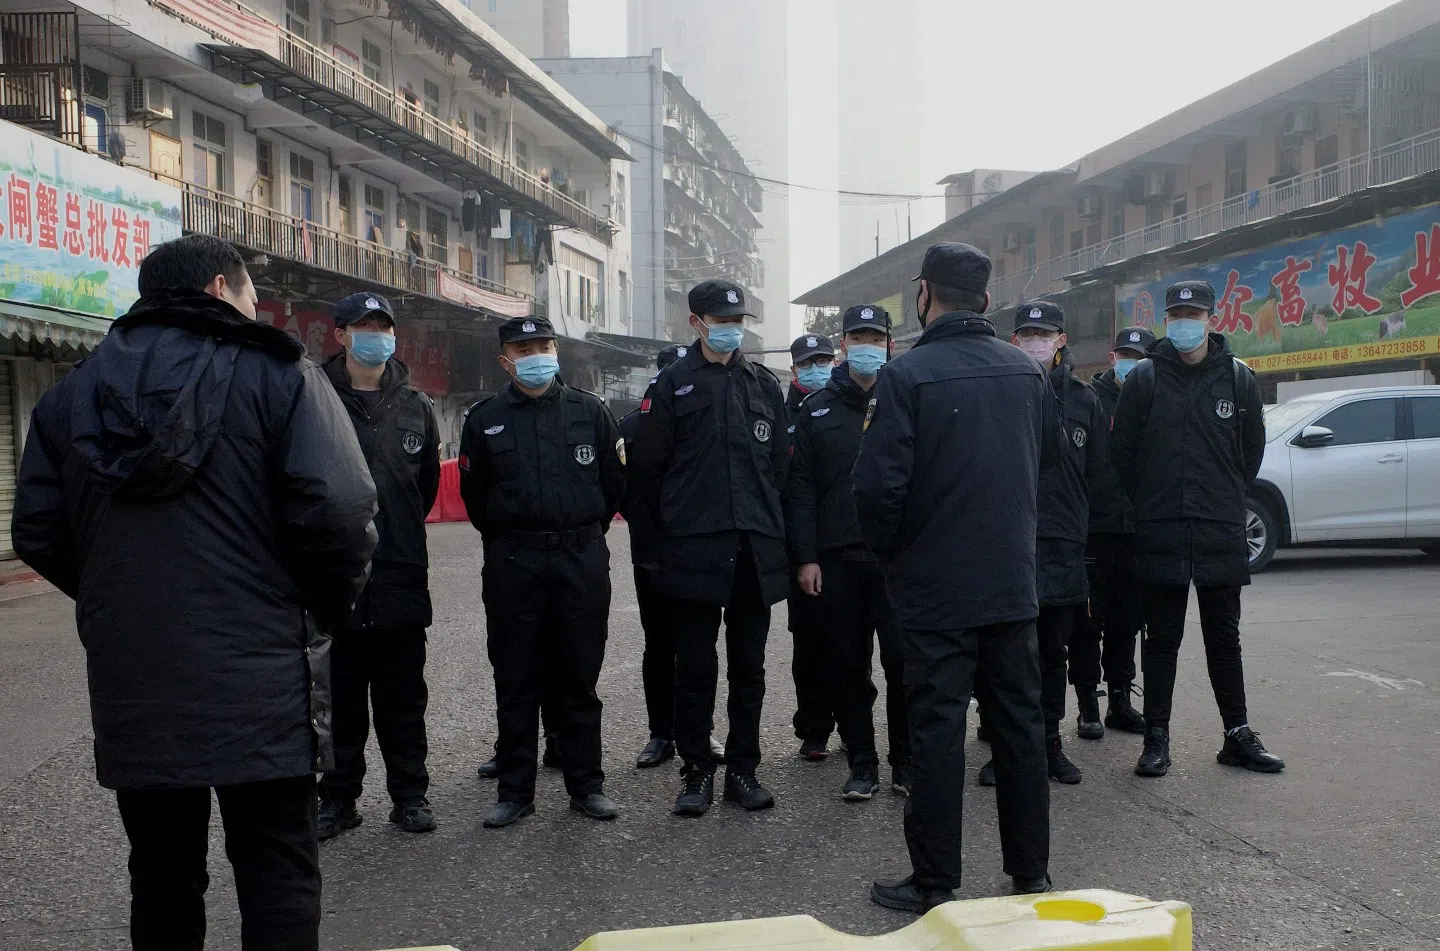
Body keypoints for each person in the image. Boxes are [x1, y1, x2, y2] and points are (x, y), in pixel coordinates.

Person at [11, 234, 378, 951]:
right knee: (277, 870)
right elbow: (341, 509)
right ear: (219, 288)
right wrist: (314, 608)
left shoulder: (71, 394)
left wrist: (115, 600)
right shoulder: (280, 374)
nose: (254, 308)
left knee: (161, 875)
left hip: (137, 677)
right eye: (249, 294)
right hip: (264, 673)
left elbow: (37, 530)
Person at [854, 242, 1057, 913]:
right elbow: (1046, 470)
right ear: (987, 301)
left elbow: (878, 489)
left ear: (924, 294)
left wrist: (895, 557)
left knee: (937, 729)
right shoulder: (1027, 374)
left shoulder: (906, 377)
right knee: (1020, 726)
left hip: (936, 589)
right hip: (1010, 583)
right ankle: (1030, 870)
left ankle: (935, 879)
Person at [1111, 280, 1285, 778]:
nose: (1185, 322)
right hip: (1161, 528)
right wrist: (1151, 500)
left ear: (1212, 317)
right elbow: (1122, 455)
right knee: (1162, 638)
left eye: (1194, 312)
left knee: (1224, 638)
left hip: (1217, 529)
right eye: (1176, 314)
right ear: (1167, 320)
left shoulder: (1238, 379)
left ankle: (1237, 734)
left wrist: (1221, 498)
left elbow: (1249, 453)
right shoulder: (1145, 380)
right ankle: (1156, 737)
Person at [458, 315, 626, 827]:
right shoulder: (484, 419)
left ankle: (586, 786)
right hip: (514, 561)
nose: (535, 355)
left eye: (543, 345)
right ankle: (515, 791)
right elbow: (475, 498)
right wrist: (518, 539)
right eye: (523, 347)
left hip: (580, 558)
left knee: (578, 678)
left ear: (556, 351)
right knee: (515, 679)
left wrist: (577, 533)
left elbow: (614, 484)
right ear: (505, 358)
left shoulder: (589, 411)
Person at [631, 279, 790, 817]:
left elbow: (781, 472)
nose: (731, 329)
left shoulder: (764, 385)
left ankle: (743, 771)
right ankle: (696, 769)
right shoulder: (673, 385)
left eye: (737, 320)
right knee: (695, 667)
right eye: (720, 320)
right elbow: (647, 474)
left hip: (752, 551)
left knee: (751, 668)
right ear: (696, 322)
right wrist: (657, 548)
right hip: (693, 550)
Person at [317, 293, 441, 840]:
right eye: (363, 327)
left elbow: (427, 488)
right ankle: (338, 801)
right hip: (332, 580)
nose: (376, 336)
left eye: (383, 327)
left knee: (403, 701)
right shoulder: (311, 396)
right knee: (337, 702)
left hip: (399, 575)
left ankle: (410, 797)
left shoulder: (416, 403)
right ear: (340, 334)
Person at [976, 301, 1106, 788]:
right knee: (1005, 653)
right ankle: (1007, 746)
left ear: (1061, 340)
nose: (1035, 341)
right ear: (1013, 341)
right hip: (1008, 543)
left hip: (1063, 543)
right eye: (1027, 333)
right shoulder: (997, 394)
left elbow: (1099, 475)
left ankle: (1050, 742)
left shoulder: (1084, 400)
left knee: (1054, 651)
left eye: (1043, 333)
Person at [785, 304, 911, 802]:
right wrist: (806, 557)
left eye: (874, 337)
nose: (866, 345)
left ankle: (906, 761)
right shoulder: (816, 410)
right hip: (837, 562)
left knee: (904, 665)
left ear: (889, 344)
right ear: (842, 346)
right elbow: (801, 492)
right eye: (856, 337)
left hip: (897, 561)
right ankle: (862, 762)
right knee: (847, 666)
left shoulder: (905, 399)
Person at [1069, 326, 1156, 739]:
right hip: (1093, 529)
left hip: (1136, 529)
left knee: (1127, 621)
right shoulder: (1090, 399)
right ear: (1111, 357)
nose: (1130, 362)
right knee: (1087, 623)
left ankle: (1120, 699)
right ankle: (1088, 703)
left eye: (1138, 355)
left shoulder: (1155, 398)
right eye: (1125, 354)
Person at [786, 331, 839, 760]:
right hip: (800, 545)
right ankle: (815, 726)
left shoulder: (858, 406)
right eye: (808, 363)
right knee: (810, 643)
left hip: (847, 543)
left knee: (854, 643)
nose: (816, 369)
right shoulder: (776, 411)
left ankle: (854, 722)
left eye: (823, 361)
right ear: (794, 370)